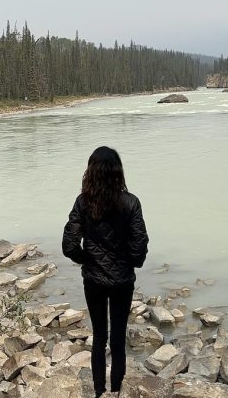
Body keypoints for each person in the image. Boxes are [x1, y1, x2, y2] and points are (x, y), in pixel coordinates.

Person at [62, 146, 148, 397]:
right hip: (122, 281)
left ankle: (100, 392)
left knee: (99, 337)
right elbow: (139, 246)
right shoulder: (131, 202)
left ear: (90, 171)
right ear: (118, 172)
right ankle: (117, 391)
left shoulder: (83, 202)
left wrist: (87, 260)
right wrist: (129, 263)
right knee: (118, 339)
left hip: (94, 280)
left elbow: (69, 246)